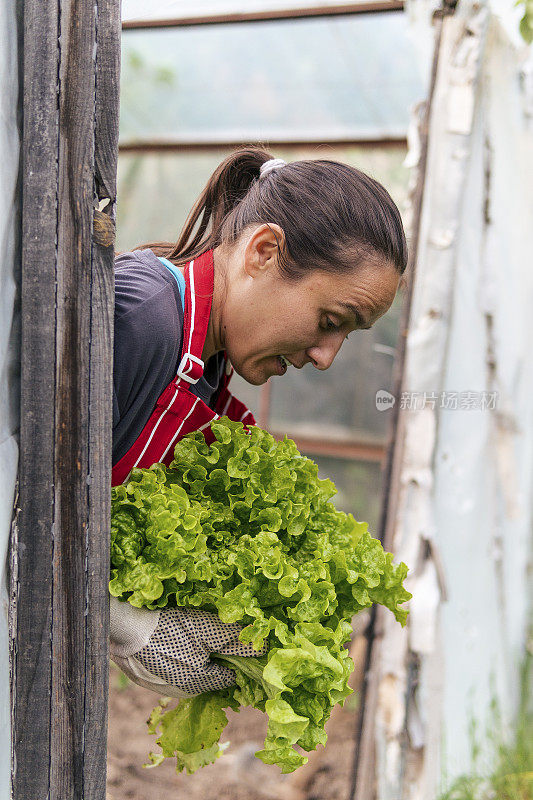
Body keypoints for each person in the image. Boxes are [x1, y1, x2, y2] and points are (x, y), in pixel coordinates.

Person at [109, 146, 407, 698]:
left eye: (347, 336)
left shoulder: (206, 364)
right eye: (330, 321)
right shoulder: (139, 318)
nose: (326, 356)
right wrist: (122, 624)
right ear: (264, 251)